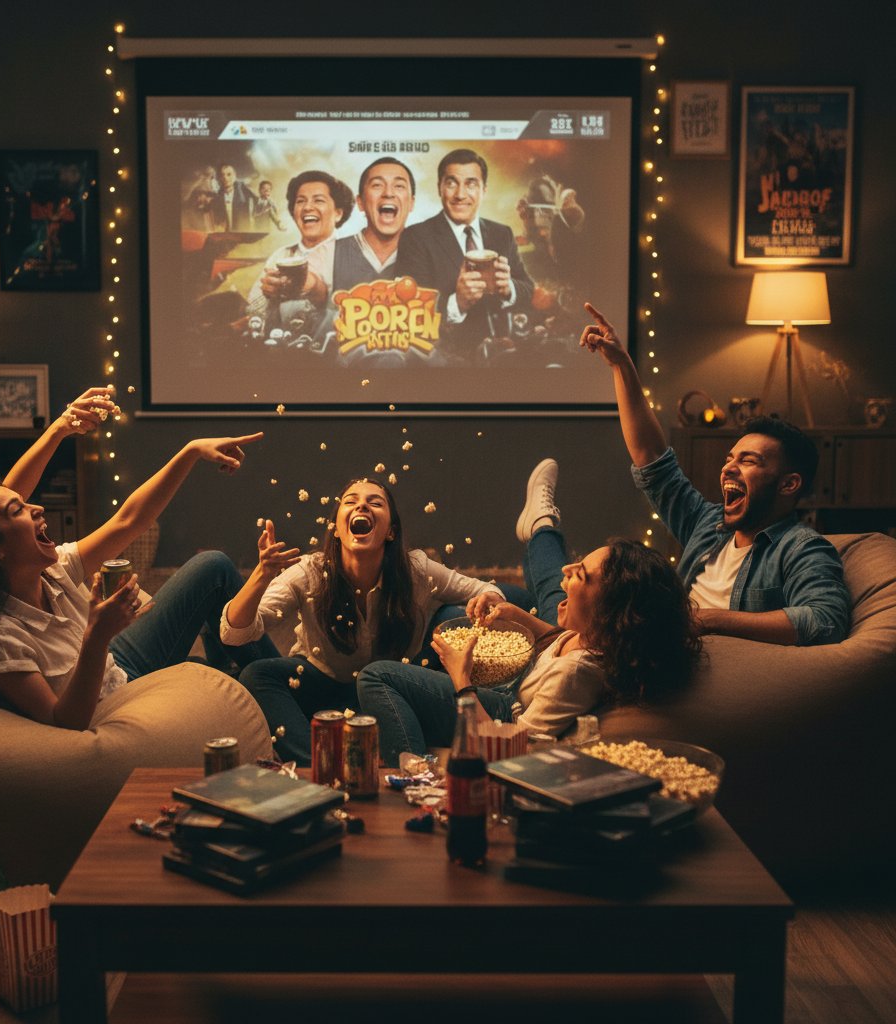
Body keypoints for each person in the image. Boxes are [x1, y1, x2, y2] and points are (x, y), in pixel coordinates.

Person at [0, 386, 277, 730]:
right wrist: (97, 635)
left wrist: (190, 452)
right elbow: (64, 720)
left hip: (117, 661)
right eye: (19, 511)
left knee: (213, 567)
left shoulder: (52, 568)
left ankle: (273, 677)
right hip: (110, 692)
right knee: (213, 681)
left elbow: (129, 520)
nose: (37, 508)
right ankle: (268, 682)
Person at [357, 460, 701, 766]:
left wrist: (462, 681)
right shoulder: (589, 638)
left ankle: (417, 770)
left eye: (580, 574)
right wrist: (516, 615)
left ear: (611, 611)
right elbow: (555, 638)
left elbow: (515, 749)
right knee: (486, 605)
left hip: (504, 710)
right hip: (514, 689)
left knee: (376, 676)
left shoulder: (575, 673)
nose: (568, 568)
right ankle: (539, 524)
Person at [580, 302, 851, 646]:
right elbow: (652, 460)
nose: (728, 468)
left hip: (704, 675)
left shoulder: (802, 548)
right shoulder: (708, 524)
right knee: (542, 601)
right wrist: (621, 364)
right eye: (729, 458)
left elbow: (825, 621)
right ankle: (541, 528)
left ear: (789, 484)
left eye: (748, 461)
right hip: (656, 655)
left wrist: (707, 620)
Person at [219, 476, 507, 765]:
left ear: (391, 531)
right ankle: (319, 766)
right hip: (323, 684)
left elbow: (486, 589)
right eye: (351, 502)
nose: (363, 507)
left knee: (453, 618)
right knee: (257, 674)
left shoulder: (416, 570)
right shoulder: (311, 572)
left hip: (389, 690)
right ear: (336, 529)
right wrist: (262, 574)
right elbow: (235, 634)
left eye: (375, 503)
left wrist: (487, 599)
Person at [396, 148, 534, 361]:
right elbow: (408, 311)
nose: (460, 194)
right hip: (449, 363)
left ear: (483, 190)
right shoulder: (416, 237)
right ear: (440, 188)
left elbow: (527, 288)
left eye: (471, 184)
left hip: (507, 358)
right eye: (451, 183)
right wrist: (458, 303)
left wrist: (509, 289)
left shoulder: (502, 233)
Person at [245, 169, 355, 336]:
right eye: (300, 201)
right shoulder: (280, 255)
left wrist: (314, 287)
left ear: (338, 213)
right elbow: (253, 312)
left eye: (318, 200)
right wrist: (269, 296)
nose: (307, 207)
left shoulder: (354, 256)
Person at [332, 157, 416, 293]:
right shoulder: (331, 253)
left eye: (399, 186)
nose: (388, 193)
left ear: (411, 203)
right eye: (377, 185)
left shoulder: (427, 256)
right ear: (360, 202)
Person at [211, 164, 256, 232]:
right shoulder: (217, 198)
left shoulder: (244, 192)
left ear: (235, 176)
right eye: (222, 175)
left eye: (229, 174)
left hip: (243, 234)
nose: (225, 178)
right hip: (225, 236)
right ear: (220, 178)